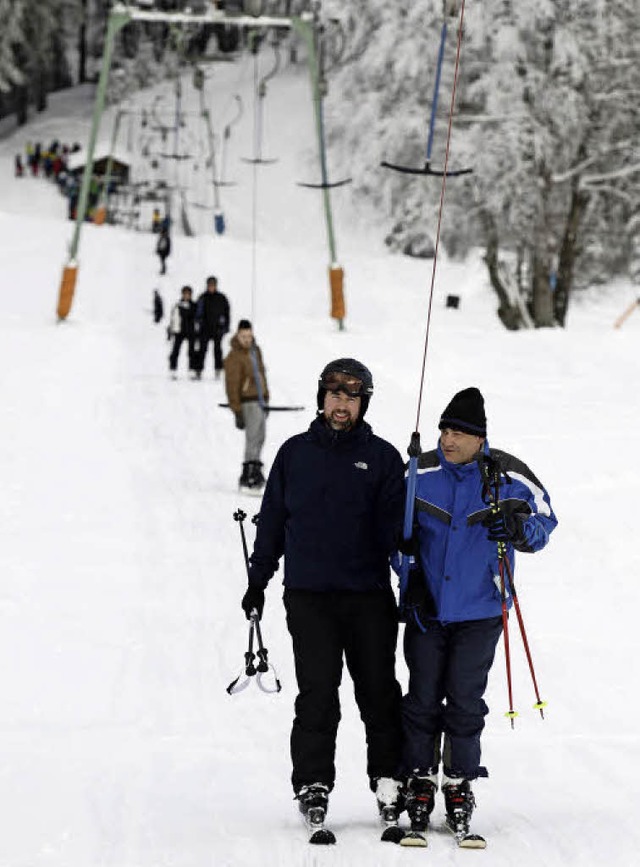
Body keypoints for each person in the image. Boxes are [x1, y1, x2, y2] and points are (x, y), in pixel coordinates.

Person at [240, 359, 407, 831]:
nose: (341, 403)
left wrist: (408, 553)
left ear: (362, 403)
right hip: (310, 596)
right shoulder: (294, 454)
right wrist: (258, 582)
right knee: (317, 695)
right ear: (322, 399)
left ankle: (388, 778)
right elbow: (271, 524)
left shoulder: (384, 458)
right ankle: (313, 782)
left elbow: (398, 534)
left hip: (369, 596)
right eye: (334, 394)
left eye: (351, 396)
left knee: (378, 693)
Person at [398, 387, 557, 838]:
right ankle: (419, 780)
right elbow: (393, 533)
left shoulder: (511, 477)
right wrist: (407, 573)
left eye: (458, 432)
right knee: (422, 699)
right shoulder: (418, 471)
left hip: (481, 610)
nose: (448, 439)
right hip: (427, 611)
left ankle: (459, 783)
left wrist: (519, 527)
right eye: (444, 429)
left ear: (479, 438)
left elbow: (545, 522)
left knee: (465, 703)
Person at [223, 319, 269, 492]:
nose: (247, 340)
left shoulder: (255, 351)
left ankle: (256, 468)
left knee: (260, 436)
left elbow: (262, 374)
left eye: (249, 336)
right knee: (252, 437)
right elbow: (231, 385)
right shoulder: (234, 356)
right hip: (247, 401)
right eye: (244, 337)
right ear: (238, 335)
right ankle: (248, 474)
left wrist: (266, 397)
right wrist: (237, 410)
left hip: (259, 400)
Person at [193, 275, 230, 380]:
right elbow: (197, 313)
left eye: (213, 285)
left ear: (216, 285)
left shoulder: (222, 298)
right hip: (204, 329)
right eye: (210, 285)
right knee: (202, 350)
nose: (211, 287)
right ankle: (198, 371)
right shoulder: (202, 297)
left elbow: (227, 313)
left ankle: (218, 370)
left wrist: (225, 326)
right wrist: (199, 324)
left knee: (218, 350)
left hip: (218, 329)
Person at [167, 286, 197, 379]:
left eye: (188, 294)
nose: (186, 295)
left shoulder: (194, 305)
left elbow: (197, 318)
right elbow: (173, 319)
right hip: (179, 331)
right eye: (185, 294)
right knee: (175, 351)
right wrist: (170, 331)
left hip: (191, 331)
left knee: (192, 352)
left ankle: (192, 370)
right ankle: (173, 369)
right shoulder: (178, 305)